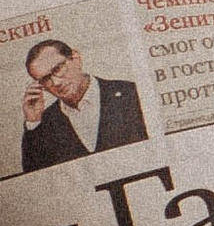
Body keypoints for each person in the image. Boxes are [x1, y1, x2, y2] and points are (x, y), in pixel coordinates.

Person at [21, 34, 146, 171]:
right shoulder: (44, 123)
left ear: (76, 59)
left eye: (57, 69)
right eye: (45, 79)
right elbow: (35, 176)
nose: (56, 82)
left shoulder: (132, 93)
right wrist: (33, 122)